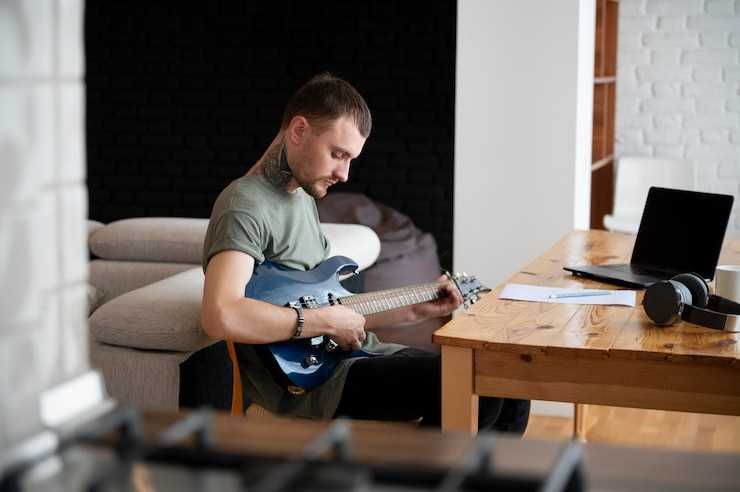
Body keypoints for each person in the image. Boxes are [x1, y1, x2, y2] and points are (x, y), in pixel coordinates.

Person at [201, 73, 530, 433]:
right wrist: (326, 322)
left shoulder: (300, 196)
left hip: (351, 355)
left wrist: (416, 311)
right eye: (337, 155)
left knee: (505, 380)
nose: (344, 173)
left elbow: (330, 310)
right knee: (472, 384)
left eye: (350, 159)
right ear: (298, 131)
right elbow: (222, 314)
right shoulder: (245, 205)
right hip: (311, 383)